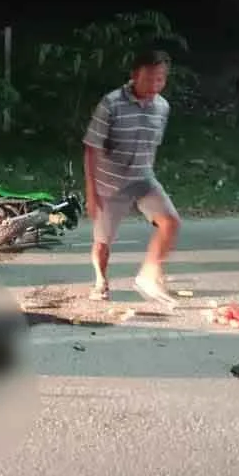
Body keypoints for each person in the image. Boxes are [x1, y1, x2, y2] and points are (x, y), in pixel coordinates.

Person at [82, 49, 181, 306]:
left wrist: (149, 176)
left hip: (143, 177)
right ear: (135, 76)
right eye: (149, 79)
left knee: (171, 222)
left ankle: (149, 273)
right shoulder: (111, 103)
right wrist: (91, 193)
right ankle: (101, 281)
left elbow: (152, 146)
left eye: (160, 79)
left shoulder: (162, 107)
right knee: (103, 241)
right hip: (110, 183)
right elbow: (92, 147)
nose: (154, 85)